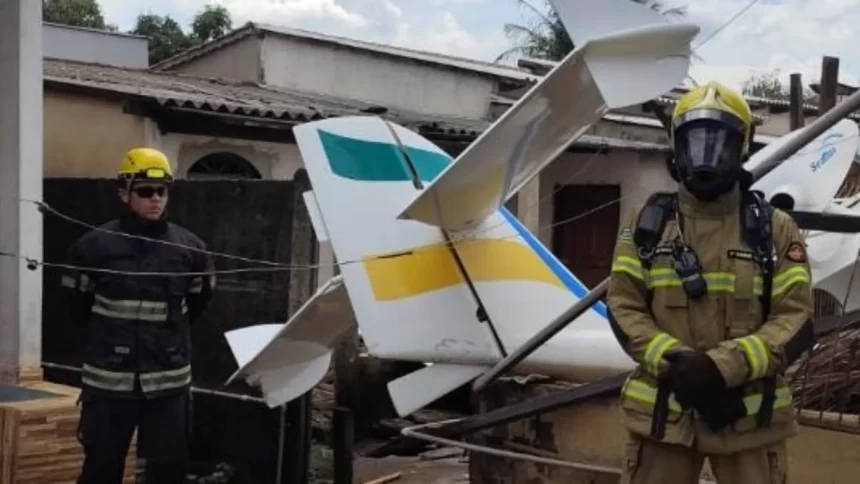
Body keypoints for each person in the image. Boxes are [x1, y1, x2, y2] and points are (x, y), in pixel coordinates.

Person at [606, 81, 815, 483]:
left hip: (748, 423)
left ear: (742, 148)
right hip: (664, 420)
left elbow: (795, 317)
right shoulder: (646, 224)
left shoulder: (774, 229)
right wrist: (678, 364)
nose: (706, 158)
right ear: (676, 148)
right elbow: (623, 306)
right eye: (695, 143)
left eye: (719, 144)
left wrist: (721, 368)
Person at [60, 147, 215, 484]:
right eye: (145, 191)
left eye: (162, 191)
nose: (155, 198)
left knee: (168, 470)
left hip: (168, 383)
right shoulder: (93, 247)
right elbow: (76, 305)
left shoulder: (191, 250)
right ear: (124, 194)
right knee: (101, 468)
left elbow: (198, 304)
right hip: (109, 383)